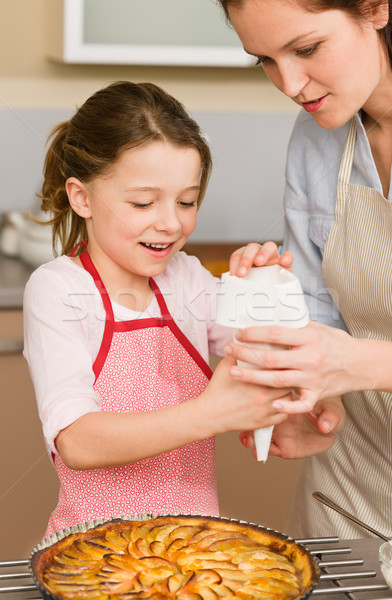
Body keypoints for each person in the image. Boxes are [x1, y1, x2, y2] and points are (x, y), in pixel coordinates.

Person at [24, 80, 309, 538]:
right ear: (82, 198)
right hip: (92, 556)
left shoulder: (187, 278)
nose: (171, 222)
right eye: (142, 202)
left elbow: (271, 356)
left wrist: (262, 289)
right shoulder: (58, 290)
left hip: (193, 551)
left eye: (187, 201)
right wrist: (210, 414)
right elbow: (77, 441)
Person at [216, 0, 392, 539]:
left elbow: (351, 354)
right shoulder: (316, 136)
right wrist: (317, 397)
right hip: (352, 486)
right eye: (265, 60)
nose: (291, 83)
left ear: (375, 8)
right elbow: (320, 309)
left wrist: (358, 363)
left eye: (306, 49)